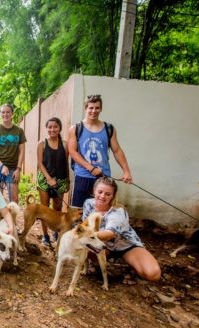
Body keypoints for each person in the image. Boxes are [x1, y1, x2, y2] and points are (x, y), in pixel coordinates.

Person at [83, 177, 161, 281]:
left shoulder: (118, 212)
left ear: (113, 196)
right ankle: (99, 264)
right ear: (94, 191)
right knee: (84, 246)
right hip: (103, 245)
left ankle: (129, 262)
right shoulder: (88, 204)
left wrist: (84, 235)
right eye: (100, 192)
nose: (102, 196)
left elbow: (109, 234)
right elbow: (86, 225)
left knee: (153, 274)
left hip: (125, 245)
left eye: (107, 194)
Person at [67, 94, 132, 208]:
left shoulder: (109, 129)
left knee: (101, 212)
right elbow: (72, 151)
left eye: (97, 108)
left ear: (101, 109)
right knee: (78, 212)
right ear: (85, 108)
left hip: (103, 177)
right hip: (83, 176)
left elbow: (117, 150)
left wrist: (126, 171)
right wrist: (90, 167)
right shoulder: (76, 129)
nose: (94, 111)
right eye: (91, 108)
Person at [36, 117, 69, 246]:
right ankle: (45, 236)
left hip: (60, 180)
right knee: (44, 210)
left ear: (59, 128)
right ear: (47, 128)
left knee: (57, 208)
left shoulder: (65, 144)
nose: (52, 129)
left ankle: (56, 231)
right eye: (49, 127)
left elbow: (66, 163)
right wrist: (49, 178)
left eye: (55, 127)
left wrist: (67, 181)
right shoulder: (42, 143)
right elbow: (40, 163)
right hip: (45, 180)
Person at [0, 104, 26, 203]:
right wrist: (1, 166)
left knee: (14, 199)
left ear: (12, 114)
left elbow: (22, 151)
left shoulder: (19, 131)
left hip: (13, 168)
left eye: (8, 112)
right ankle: (0, 218)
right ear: (0, 114)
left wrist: (18, 169)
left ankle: (12, 218)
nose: (5, 114)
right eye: (3, 112)